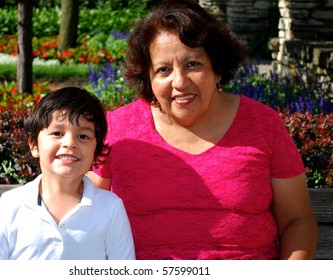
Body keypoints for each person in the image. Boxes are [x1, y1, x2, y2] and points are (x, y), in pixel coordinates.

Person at [87, 0, 318, 260]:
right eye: (163, 70)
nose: (180, 82)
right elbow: (84, 216)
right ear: (149, 79)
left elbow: (297, 222)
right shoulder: (118, 129)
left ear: (217, 68)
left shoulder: (263, 125)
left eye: (193, 65)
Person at [0, 87, 135, 260]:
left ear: (96, 152)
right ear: (34, 145)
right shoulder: (12, 204)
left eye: (83, 136)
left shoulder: (110, 208)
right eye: (57, 133)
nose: (69, 143)